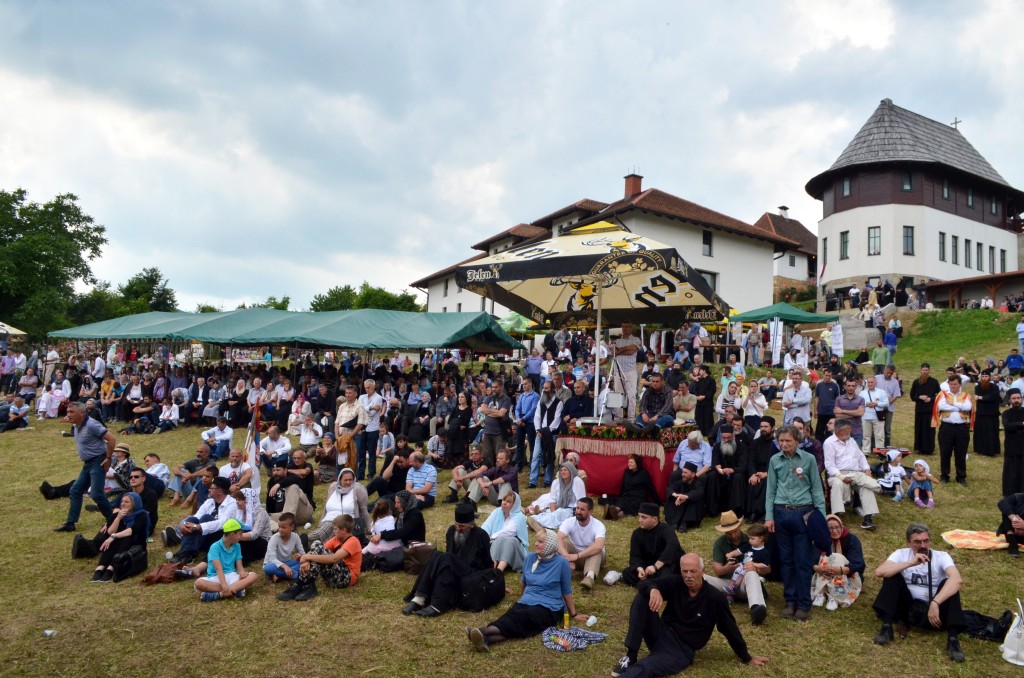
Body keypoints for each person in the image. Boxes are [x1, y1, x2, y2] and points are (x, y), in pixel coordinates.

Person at [611, 552, 768, 677]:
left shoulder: (715, 598)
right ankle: (630, 656)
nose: (688, 576)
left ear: (703, 571)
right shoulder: (676, 582)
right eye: (685, 571)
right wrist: (654, 589)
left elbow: (729, 628)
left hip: (680, 650)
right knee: (643, 596)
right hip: (660, 632)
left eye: (693, 571)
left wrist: (746, 657)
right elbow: (644, 583)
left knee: (647, 667)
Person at [466, 529, 586, 652]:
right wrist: (522, 601)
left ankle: (482, 631)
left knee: (522, 618)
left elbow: (566, 591)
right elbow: (523, 582)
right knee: (513, 616)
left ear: (550, 545)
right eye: (536, 541)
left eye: (540, 542)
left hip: (550, 607)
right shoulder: (530, 558)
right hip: (527, 600)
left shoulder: (561, 563)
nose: (536, 544)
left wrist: (574, 614)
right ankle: (487, 640)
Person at [871, 523, 966, 662]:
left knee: (949, 584)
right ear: (908, 542)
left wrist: (935, 603)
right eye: (917, 542)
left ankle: (953, 640)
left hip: (934, 610)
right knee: (892, 576)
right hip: (906, 607)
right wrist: (910, 563)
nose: (923, 545)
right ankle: (886, 628)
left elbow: (957, 580)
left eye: (926, 541)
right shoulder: (901, 554)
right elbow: (880, 571)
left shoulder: (941, 556)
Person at [766, 424, 827, 622]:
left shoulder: (809, 459)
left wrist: (821, 518)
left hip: (803, 513)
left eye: (788, 441)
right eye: (781, 441)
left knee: (802, 560)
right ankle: (790, 601)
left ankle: (803, 603)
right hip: (781, 512)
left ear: (797, 441)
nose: (784, 444)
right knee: (786, 560)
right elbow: (770, 490)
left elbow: (817, 489)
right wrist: (769, 516)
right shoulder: (774, 460)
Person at [402, 503, 492, 617]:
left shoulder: (481, 535)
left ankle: (437, 605)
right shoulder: (451, 531)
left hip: (471, 573)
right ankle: (419, 598)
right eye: (456, 525)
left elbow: (488, 562)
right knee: (437, 555)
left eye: (462, 526)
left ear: (471, 525)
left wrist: (492, 581)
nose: (458, 529)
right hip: (451, 567)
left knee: (446, 557)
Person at [54, 402, 117, 532]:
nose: (68, 414)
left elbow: (112, 439)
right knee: (75, 491)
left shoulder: (91, 424)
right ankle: (70, 524)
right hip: (88, 463)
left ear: (81, 413)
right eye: (67, 412)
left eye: (72, 412)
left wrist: (108, 458)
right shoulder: (77, 423)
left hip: (98, 461)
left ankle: (114, 520)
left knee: (96, 494)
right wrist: (68, 419)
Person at [278, 514, 362, 601]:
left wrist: (307, 556)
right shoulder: (336, 539)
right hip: (336, 575)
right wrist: (306, 560)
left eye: (335, 529)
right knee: (317, 544)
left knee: (318, 547)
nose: (333, 531)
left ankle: (301, 583)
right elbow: (317, 550)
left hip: (347, 578)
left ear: (344, 530)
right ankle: (307, 585)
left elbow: (334, 559)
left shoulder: (353, 541)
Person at [705, 512, 769, 625]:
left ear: (740, 527)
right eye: (729, 533)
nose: (733, 536)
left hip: (746, 584)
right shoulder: (720, 543)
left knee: (752, 574)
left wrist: (755, 568)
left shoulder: (752, 539)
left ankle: (757, 608)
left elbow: (768, 569)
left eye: (735, 531)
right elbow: (717, 570)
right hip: (728, 584)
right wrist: (727, 568)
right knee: (702, 577)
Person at [79, 492, 151, 583]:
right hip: (118, 543)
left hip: (136, 544)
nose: (123, 504)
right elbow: (110, 532)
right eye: (122, 501)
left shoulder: (141, 515)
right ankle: (100, 567)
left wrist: (113, 537)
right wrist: (118, 518)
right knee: (112, 540)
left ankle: (111, 567)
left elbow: (131, 531)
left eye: (127, 502)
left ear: (134, 504)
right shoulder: (117, 514)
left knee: (126, 537)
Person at [823, 419, 880, 530]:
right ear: (841, 431)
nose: (851, 431)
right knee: (838, 484)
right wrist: (841, 476)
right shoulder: (829, 443)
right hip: (837, 474)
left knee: (866, 486)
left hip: (855, 473)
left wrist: (867, 469)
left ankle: (867, 520)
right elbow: (829, 465)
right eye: (849, 429)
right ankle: (837, 517)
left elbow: (861, 456)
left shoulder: (851, 441)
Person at [185, 518, 260, 602]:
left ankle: (219, 594)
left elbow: (239, 566)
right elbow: (218, 569)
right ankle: (234, 590)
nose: (241, 536)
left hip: (231, 576)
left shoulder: (237, 546)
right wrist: (224, 587)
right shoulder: (215, 547)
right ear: (232, 534)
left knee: (253, 575)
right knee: (198, 583)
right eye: (240, 534)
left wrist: (242, 573)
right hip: (216, 577)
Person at [811, 514, 865, 610]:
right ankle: (822, 593)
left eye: (837, 527)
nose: (834, 531)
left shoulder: (852, 539)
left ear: (842, 527)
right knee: (825, 558)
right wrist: (818, 568)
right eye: (830, 528)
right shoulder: (820, 539)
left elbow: (859, 564)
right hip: (823, 573)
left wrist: (840, 570)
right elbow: (811, 560)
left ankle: (834, 597)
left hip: (846, 575)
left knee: (838, 557)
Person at [623, 503, 683, 588]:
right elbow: (635, 555)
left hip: (665, 565)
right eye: (639, 516)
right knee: (627, 573)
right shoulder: (637, 533)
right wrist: (639, 569)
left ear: (654, 519)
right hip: (648, 567)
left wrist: (656, 566)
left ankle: (650, 584)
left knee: (666, 576)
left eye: (644, 517)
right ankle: (653, 584)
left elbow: (672, 546)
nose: (640, 520)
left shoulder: (666, 530)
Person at [557, 497, 606, 590]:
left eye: (582, 509)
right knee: (562, 541)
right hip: (574, 556)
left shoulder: (598, 525)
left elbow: (599, 546)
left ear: (590, 512)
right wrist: (567, 557)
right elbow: (558, 537)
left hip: (593, 557)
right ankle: (564, 568)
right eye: (577, 508)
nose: (578, 512)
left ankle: (589, 578)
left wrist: (577, 556)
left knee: (595, 548)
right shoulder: (569, 522)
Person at [933, 375, 973, 485]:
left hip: (961, 427)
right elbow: (942, 406)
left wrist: (953, 403)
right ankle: (944, 475)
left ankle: (961, 476)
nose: (953, 386)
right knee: (945, 452)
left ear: (960, 384)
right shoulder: (943, 394)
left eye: (955, 384)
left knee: (961, 453)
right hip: (947, 427)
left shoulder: (966, 395)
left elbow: (968, 407)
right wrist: (959, 407)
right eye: (951, 384)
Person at [527, 461, 586, 530]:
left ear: (571, 471)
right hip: (558, 507)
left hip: (572, 510)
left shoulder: (577, 481)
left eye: (565, 470)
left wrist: (578, 515)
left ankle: (538, 524)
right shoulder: (556, 482)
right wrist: (553, 513)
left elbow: (582, 500)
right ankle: (536, 522)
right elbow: (552, 500)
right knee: (551, 514)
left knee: (560, 513)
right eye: (561, 470)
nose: (563, 472)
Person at [481, 491, 529, 571]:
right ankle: (491, 567)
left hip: (515, 550)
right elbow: (486, 525)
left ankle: (499, 570)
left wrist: (491, 537)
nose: (504, 503)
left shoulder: (519, 517)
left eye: (508, 502)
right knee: (497, 540)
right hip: (495, 544)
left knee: (506, 539)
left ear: (514, 505)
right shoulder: (497, 512)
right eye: (503, 500)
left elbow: (508, 532)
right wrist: (483, 536)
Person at [263, 512, 306, 581]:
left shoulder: (295, 537)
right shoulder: (274, 538)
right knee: (267, 568)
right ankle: (296, 574)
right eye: (279, 526)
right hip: (273, 564)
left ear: (292, 527)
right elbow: (272, 559)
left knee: (304, 561)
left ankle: (280, 576)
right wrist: (284, 566)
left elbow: (303, 553)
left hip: (287, 563)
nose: (280, 529)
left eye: (283, 527)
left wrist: (300, 557)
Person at [665, 462, 705, 533]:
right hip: (679, 507)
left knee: (693, 500)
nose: (682, 474)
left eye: (685, 473)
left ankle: (685, 523)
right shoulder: (680, 483)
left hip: (691, 513)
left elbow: (699, 492)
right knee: (672, 498)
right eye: (682, 472)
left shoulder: (698, 484)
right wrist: (676, 495)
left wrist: (686, 497)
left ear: (693, 474)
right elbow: (669, 489)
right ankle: (674, 522)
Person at [910, 363, 941, 454]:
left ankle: (929, 449)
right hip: (920, 410)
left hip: (930, 410)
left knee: (930, 430)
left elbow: (939, 395)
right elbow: (912, 396)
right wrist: (919, 397)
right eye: (923, 370)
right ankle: (920, 448)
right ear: (921, 371)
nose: (925, 372)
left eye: (927, 370)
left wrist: (930, 399)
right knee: (920, 429)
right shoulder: (916, 382)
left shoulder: (934, 382)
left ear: (929, 371)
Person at [973, 372, 1001, 457]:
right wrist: (981, 398)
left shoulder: (995, 387)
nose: (984, 378)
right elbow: (977, 397)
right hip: (981, 413)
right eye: (983, 376)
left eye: (986, 376)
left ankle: (992, 450)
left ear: (989, 377)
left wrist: (981, 397)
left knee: (991, 433)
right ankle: (981, 449)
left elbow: (993, 397)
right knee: (981, 432)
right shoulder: (978, 387)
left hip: (992, 414)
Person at [1003, 389, 1024, 496]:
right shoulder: (1006, 413)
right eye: (1014, 398)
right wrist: (1022, 424)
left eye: (1018, 398)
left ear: (1022, 399)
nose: (1016, 400)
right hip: (1012, 447)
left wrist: (1015, 426)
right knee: (1012, 472)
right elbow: (1007, 426)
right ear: (1010, 400)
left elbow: (1012, 426)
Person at [997, 492, 1024, 557]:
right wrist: (1015, 519)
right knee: (1008, 509)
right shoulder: (1020, 497)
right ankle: (1013, 543)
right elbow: (1002, 503)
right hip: (1015, 532)